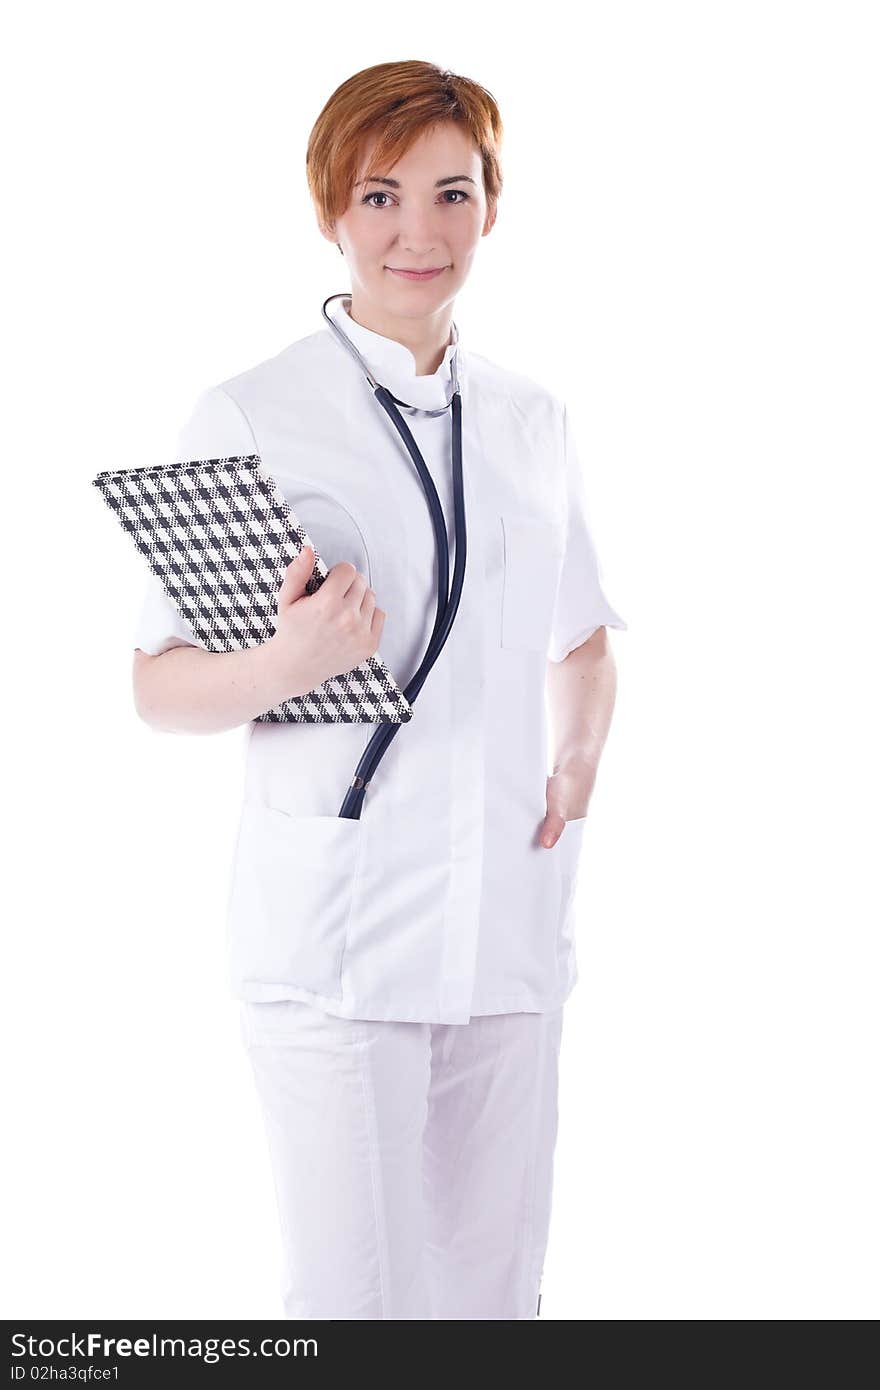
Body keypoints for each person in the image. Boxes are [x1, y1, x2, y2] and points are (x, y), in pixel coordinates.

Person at [132, 60, 627, 1320]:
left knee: (493, 1296)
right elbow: (160, 687)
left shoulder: (532, 420)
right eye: (380, 195)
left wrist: (577, 760)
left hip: (506, 930)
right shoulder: (248, 409)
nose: (420, 232)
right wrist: (285, 664)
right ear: (330, 212)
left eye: (452, 194)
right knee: (353, 1308)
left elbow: (579, 637)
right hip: (336, 938)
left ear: (491, 208)